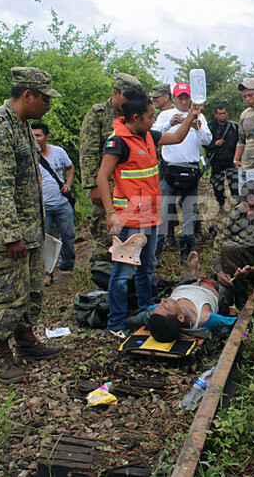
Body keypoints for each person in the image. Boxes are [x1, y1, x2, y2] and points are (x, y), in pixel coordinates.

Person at [0, 67, 66, 384]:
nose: (48, 107)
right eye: (45, 99)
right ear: (28, 95)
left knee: (30, 292)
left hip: (29, 231)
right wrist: (11, 237)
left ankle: (26, 343)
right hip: (6, 237)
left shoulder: (21, 126)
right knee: (6, 297)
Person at [96, 87, 197, 338]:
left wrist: (191, 115)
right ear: (135, 118)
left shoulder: (148, 135)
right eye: (150, 116)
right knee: (122, 273)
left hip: (151, 216)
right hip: (129, 220)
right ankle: (116, 324)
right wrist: (111, 213)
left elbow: (176, 138)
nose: (154, 119)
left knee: (147, 266)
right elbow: (102, 177)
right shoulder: (118, 142)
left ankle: (144, 312)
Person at [79, 72, 142, 267]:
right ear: (116, 93)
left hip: (129, 185)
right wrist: (93, 185)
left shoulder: (132, 116)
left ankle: (126, 266)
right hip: (106, 185)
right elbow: (88, 151)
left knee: (131, 228)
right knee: (104, 229)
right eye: (127, 98)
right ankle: (102, 270)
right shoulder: (98, 115)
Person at [152, 82, 211, 260]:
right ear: (174, 98)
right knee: (163, 210)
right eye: (180, 97)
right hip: (170, 169)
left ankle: (186, 248)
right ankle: (156, 249)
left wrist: (198, 127)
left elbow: (208, 140)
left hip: (191, 169)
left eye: (187, 97)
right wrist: (170, 124)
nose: (184, 101)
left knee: (189, 210)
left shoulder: (199, 116)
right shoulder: (165, 115)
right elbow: (152, 135)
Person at [127, 251, 237, 341]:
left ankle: (194, 272)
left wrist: (119, 324)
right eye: (166, 306)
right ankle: (196, 274)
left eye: (159, 305)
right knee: (229, 284)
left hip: (184, 286)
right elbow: (235, 325)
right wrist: (232, 309)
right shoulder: (206, 319)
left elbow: (133, 321)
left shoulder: (155, 313)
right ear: (180, 317)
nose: (163, 300)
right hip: (213, 287)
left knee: (189, 279)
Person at [31, 122, 75, 284]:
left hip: (61, 202)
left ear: (46, 137)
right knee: (47, 240)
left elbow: (70, 168)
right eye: (32, 135)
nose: (35, 139)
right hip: (42, 206)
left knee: (69, 235)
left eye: (38, 135)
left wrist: (68, 184)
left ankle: (67, 265)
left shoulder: (58, 152)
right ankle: (47, 272)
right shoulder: (29, 156)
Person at [206, 104, 239, 210]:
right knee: (217, 183)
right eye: (220, 114)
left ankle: (238, 202)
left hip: (231, 159)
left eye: (224, 113)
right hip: (216, 160)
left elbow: (239, 142)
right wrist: (215, 143)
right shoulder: (210, 127)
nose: (222, 116)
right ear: (216, 115)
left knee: (234, 181)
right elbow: (204, 142)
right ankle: (221, 203)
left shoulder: (233, 127)